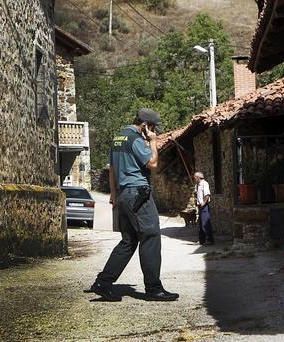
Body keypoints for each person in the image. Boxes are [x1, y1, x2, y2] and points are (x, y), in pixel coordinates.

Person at [89, 108, 179, 302]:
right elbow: (153, 165)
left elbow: (112, 168)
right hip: (138, 194)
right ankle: (154, 289)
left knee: (128, 241)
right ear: (146, 125)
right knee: (151, 236)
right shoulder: (136, 139)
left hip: (123, 195)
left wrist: (113, 193)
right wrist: (153, 142)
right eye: (153, 127)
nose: (154, 131)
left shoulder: (117, 139)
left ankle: (102, 283)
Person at [194, 171, 214, 245]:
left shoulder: (204, 184)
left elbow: (207, 194)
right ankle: (202, 240)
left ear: (198, 177)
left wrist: (203, 203)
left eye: (195, 177)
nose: (194, 179)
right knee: (201, 223)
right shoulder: (198, 185)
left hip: (204, 206)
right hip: (200, 206)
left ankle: (209, 240)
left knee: (205, 223)